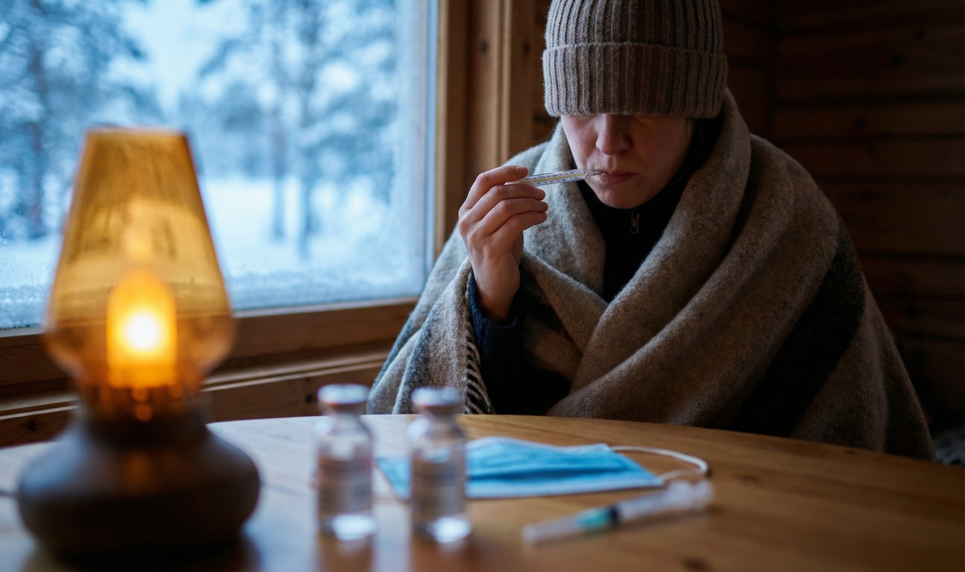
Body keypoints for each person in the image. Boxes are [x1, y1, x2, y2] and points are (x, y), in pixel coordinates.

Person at [367, 0, 934, 460]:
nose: (609, 141)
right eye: (584, 105)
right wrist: (491, 297)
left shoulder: (783, 210)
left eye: (646, 105)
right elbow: (460, 430)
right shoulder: (510, 206)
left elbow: (851, 434)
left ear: (696, 104)